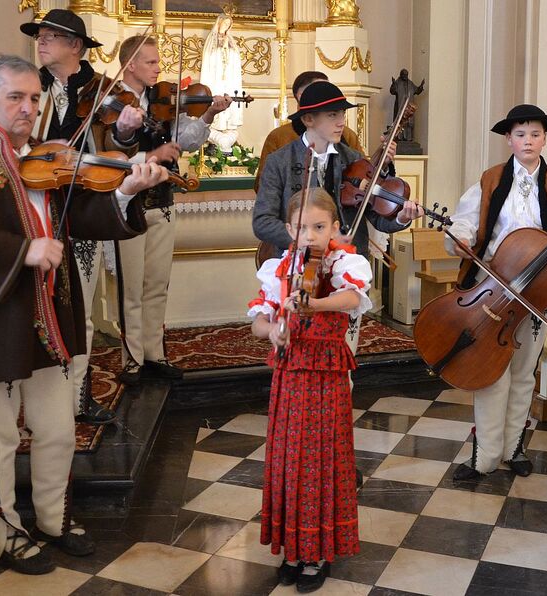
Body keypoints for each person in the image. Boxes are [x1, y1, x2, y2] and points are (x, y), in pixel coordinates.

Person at [0, 55, 167, 575]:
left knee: (56, 429)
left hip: (53, 317)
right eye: (16, 97)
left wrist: (125, 190)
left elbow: (84, 214)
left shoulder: (47, 157)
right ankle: (3, 532)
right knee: (0, 436)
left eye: (34, 98)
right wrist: (22, 251)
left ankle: (52, 520)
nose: (28, 108)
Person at [445, 104, 547, 480]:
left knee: (523, 373)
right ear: (509, 139)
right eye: (520, 134)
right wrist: (461, 238)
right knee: (490, 374)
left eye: (535, 134)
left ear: (544, 139)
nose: (528, 141)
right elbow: (464, 223)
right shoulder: (490, 180)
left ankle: (514, 446)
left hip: (539, 292)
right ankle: (484, 456)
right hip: (493, 289)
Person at [248, 188, 372, 593]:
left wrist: (313, 306)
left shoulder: (342, 262)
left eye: (320, 227)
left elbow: (352, 297)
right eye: (303, 229)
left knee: (320, 458)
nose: (311, 236)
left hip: (325, 374)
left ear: (335, 228)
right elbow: (258, 323)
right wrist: (274, 332)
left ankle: (317, 552)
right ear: (289, 231)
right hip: (290, 373)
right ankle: (293, 549)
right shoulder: (278, 268)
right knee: (289, 457)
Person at [21, 8, 135, 425]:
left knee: (80, 310)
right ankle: (42, 403)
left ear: (75, 45)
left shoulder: (105, 89)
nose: (42, 41)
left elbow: (122, 139)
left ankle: (79, 398)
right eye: (41, 35)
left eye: (52, 35)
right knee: (41, 306)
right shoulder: (31, 86)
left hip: (83, 211)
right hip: (39, 207)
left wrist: (125, 130)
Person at [252, 80, 421, 356]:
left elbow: (378, 220)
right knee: (297, 355)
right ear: (308, 119)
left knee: (343, 356)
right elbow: (262, 222)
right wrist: (309, 240)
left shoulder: (354, 160)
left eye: (342, 114)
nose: (341, 121)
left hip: (344, 274)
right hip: (298, 272)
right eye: (333, 115)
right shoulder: (280, 162)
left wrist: (401, 216)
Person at [110, 35, 232, 385]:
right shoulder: (111, 103)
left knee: (157, 284)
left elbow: (187, 142)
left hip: (162, 203)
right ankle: (131, 359)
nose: (158, 68)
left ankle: (154, 354)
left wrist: (208, 113)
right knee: (131, 288)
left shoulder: (164, 100)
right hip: (129, 205)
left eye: (158, 62)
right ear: (130, 64)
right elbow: (109, 157)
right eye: (150, 62)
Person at [253, 71, 364, 193]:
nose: (326, 93)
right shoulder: (279, 137)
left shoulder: (347, 136)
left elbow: (362, 174)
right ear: (301, 96)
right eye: (332, 115)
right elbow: (263, 188)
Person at [200, 13, 243, 153]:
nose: (226, 27)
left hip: (228, 78)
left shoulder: (230, 42)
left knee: (230, 99)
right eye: (224, 24)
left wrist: (229, 53)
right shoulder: (212, 42)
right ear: (219, 24)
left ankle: (227, 131)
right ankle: (216, 130)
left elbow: (235, 59)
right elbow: (209, 60)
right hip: (216, 78)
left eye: (228, 25)